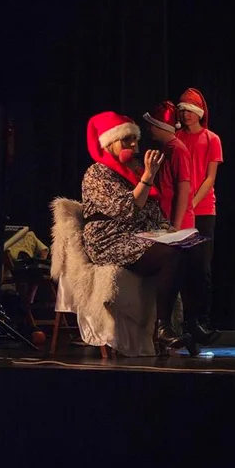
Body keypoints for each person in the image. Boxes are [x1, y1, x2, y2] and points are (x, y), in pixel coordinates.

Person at [81, 111, 205, 356]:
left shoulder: (135, 169)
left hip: (140, 235)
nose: (133, 145)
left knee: (193, 249)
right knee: (171, 255)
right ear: (109, 143)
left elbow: (152, 209)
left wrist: (168, 229)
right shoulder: (97, 173)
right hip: (110, 238)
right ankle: (163, 327)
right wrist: (148, 177)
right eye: (126, 139)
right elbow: (126, 210)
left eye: (135, 139)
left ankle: (191, 323)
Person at [176, 87, 223, 331]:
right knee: (180, 265)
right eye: (183, 111)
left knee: (202, 266)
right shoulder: (176, 138)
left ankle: (202, 320)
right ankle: (182, 320)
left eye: (190, 111)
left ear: (200, 113)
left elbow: (210, 177)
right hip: (179, 210)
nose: (186, 115)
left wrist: (192, 204)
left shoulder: (211, 139)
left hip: (203, 210)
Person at [143, 100, 195, 231]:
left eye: (151, 125)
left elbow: (183, 189)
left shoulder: (177, 150)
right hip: (164, 220)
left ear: (160, 126)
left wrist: (176, 226)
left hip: (176, 223)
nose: (148, 129)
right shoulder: (164, 148)